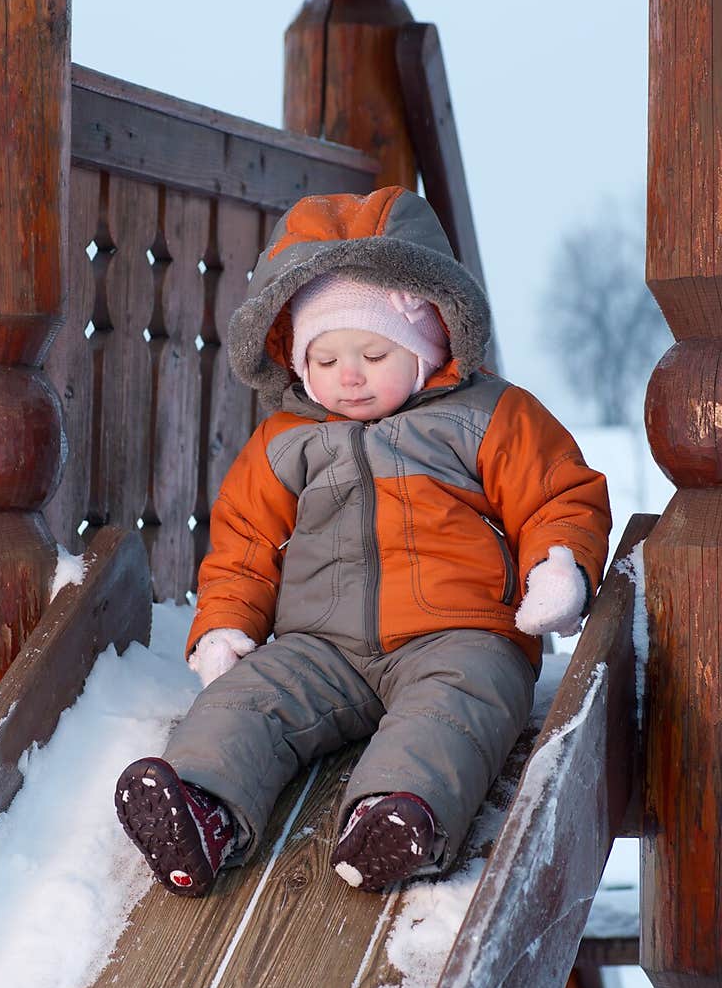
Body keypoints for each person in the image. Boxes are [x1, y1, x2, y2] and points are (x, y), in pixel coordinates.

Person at [114, 186, 611, 897]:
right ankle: (201, 806)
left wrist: (557, 566)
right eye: (325, 358)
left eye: (374, 353)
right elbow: (245, 541)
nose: (348, 376)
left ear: (427, 343)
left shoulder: (486, 414)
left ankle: (397, 817)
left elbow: (557, 492)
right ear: (298, 360)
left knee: (455, 712)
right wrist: (225, 622)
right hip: (321, 647)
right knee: (247, 702)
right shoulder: (286, 443)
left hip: (462, 634)